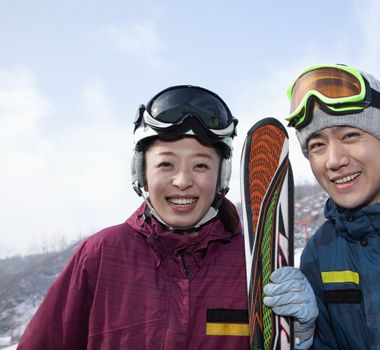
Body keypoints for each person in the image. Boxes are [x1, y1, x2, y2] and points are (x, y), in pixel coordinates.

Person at [17, 85, 250, 349]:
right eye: (166, 164)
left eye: (200, 165)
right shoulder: (101, 255)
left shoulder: (249, 262)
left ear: (222, 176)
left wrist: (302, 335)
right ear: (142, 173)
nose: (183, 181)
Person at [263, 64, 380, 349]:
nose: (333, 160)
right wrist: (304, 335)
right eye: (317, 145)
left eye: (350, 136)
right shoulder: (320, 252)